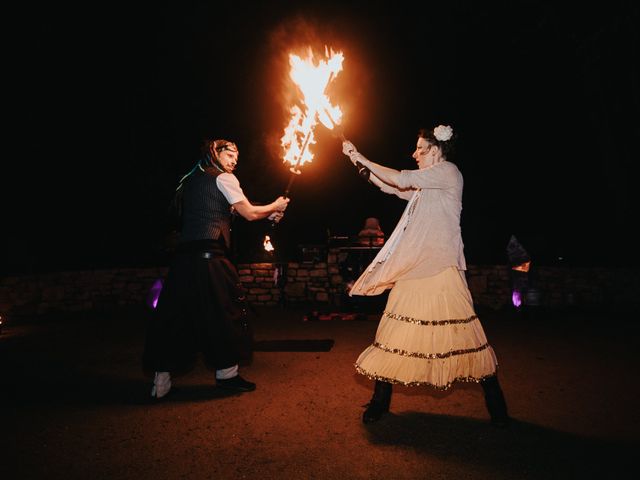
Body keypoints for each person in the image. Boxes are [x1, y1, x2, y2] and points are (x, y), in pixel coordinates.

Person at [342, 125, 510, 426]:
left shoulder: (447, 172)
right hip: (414, 267)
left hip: (443, 267)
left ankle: (497, 408)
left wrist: (363, 157)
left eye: (420, 148)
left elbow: (400, 178)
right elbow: (391, 187)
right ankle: (380, 402)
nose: (414, 153)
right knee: (394, 334)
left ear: (435, 150)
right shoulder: (425, 188)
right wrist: (356, 162)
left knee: (464, 334)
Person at [143, 138, 290, 399]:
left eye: (237, 156)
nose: (234, 160)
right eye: (229, 154)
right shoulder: (224, 179)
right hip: (210, 261)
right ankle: (227, 377)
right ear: (214, 153)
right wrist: (275, 207)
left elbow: (225, 210)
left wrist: (268, 212)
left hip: (184, 261)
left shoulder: (191, 181)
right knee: (226, 313)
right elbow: (248, 213)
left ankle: (160, 383)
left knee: (177, 318)